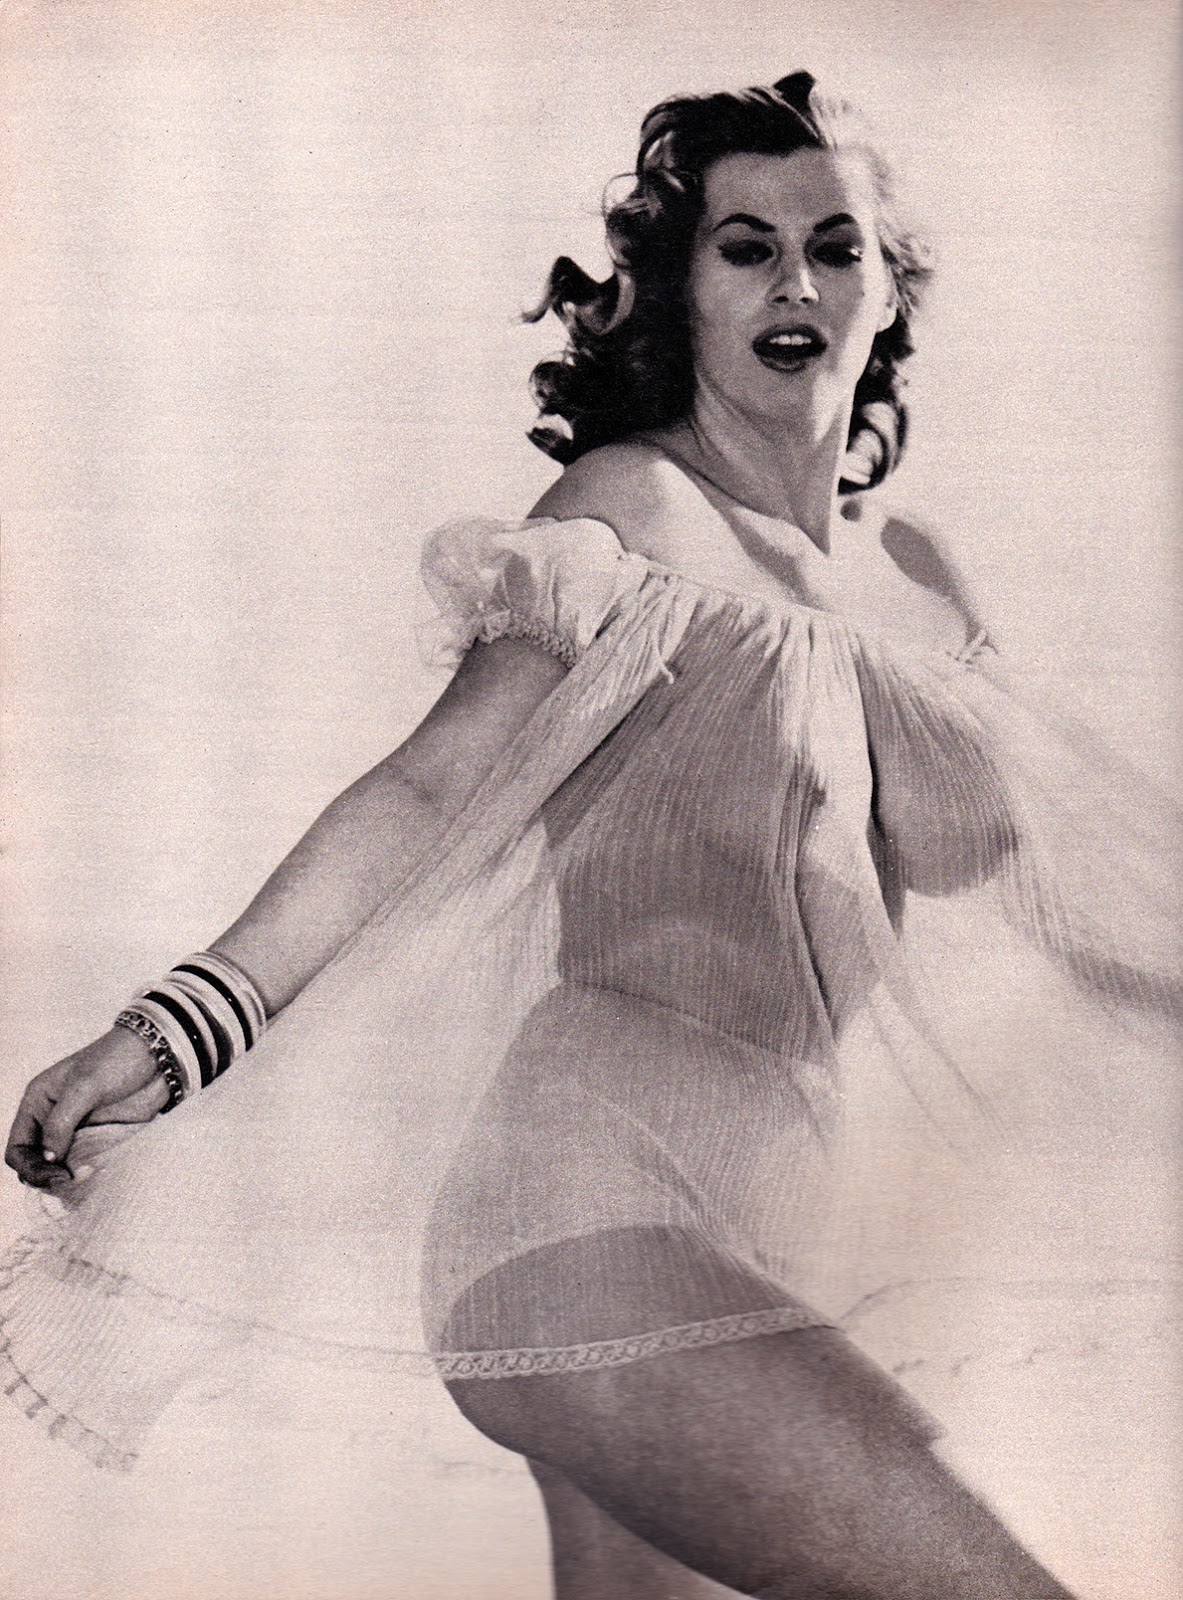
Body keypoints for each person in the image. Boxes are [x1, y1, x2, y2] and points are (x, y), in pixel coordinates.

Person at [2, 71, 1175, 1599]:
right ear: (682, 290)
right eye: (747, 247)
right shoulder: (634, 510)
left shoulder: (921, 585)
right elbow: (425, 793)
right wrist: (177, 1029)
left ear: (891, 287)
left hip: (760, 1227)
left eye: (836, 246)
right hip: (579, 1209)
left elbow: (1047, 893)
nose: (796, 282)